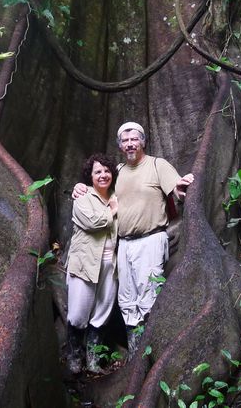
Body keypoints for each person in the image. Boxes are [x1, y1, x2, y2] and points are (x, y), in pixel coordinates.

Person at [73, 122, 193, 357]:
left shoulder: (158, 165)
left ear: (143, 142)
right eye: (125, 140)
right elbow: (98, 192)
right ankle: (135, 356)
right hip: (123, 244)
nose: (130, 144)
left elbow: (177, 190)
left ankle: (150, 356)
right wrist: (81, 187)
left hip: (151, 240)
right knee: (127, 300)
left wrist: (183, 186)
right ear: (120, 146)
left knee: (148, 298)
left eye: (134, 139)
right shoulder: (116, 171)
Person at [65, 154, 120, 374]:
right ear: (90, 176)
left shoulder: (117, 195)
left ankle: (93, 361)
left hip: (111, 265)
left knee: (102, 313)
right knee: (78, 314)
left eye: (107, 170)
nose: (103, 175)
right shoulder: (82, 197)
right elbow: (92, 222)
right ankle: (74, 360)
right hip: (85, 264)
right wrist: (113, 210)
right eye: (98, 171)